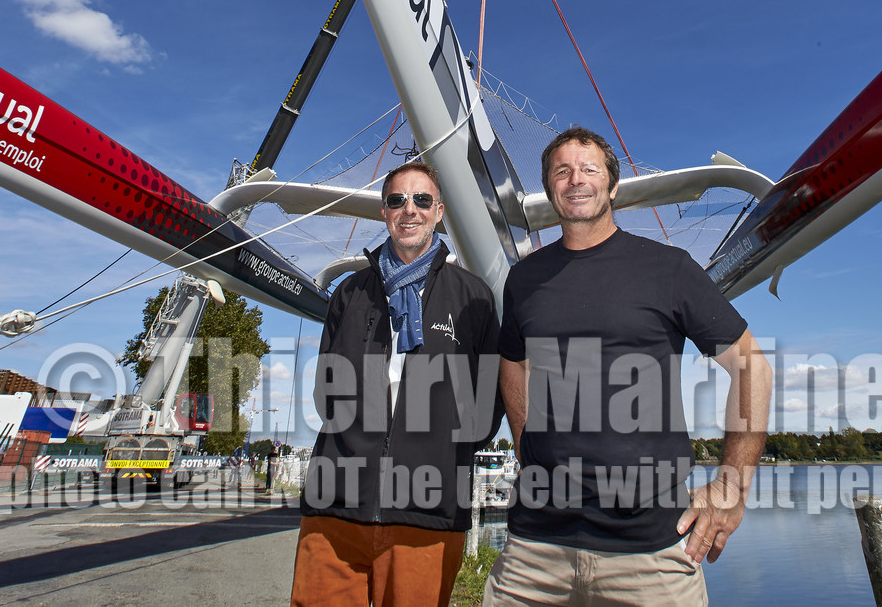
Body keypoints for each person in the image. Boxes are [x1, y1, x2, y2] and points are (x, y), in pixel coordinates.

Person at [486, 128, 772, 607]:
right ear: (549, 187)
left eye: (589, 169)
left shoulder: (669, 269)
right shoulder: (524, 279)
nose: (576, 180)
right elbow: (513, 364)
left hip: (649, 551)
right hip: (535, 548)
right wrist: (525, 448)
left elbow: (752, 368)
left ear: (613, 186)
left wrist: (732, 483)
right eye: (562, 171)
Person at [290, 161, 502, 607]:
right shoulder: (350, 293)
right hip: (337, 506)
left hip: (426, 513)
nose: (410, 209)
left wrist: (441, 449)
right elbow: (326, 390)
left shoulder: (473, 297)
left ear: (439, 211)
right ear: (384, 212)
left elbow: (488, 402)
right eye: (397, 200)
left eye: (422, 200)